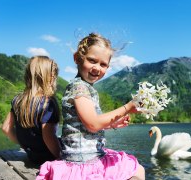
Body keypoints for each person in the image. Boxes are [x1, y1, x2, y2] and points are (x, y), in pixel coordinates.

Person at [36, 33, 145, 180]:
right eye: (92, 60)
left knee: (135, 168)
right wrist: (127, 107)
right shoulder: (79, 88)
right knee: (136, 169)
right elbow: (93, 124)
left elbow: (84, 126)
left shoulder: (84, 87)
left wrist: (112, 123)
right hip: (82, 164)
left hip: (87, 158)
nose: (97, 68)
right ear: (77, 58)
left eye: (103, 64)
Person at [2, 56, 62, 165]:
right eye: (54, 76)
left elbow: (6, 128)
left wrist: (25, 146)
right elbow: (48, 137)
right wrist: (61, 158)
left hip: (32, 156)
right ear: (50, 77)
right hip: (49, 158)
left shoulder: (17, 100)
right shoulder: (48, 103)